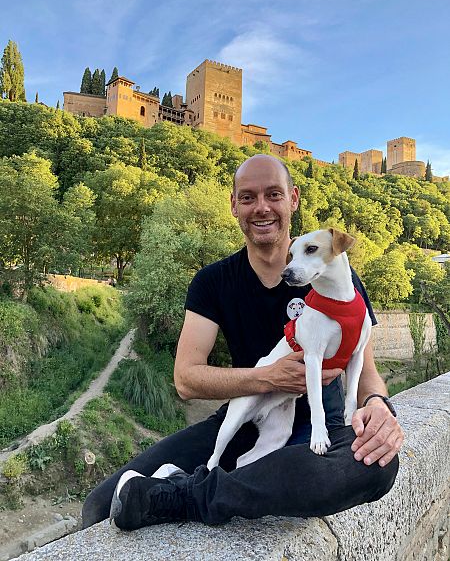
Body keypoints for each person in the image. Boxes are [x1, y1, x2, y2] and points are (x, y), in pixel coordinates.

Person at [82, 154, 403, 530]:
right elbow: (187, 379)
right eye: (248, 197)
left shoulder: (338, 281)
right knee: (100, 506)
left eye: (273, 194)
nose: (262, 207)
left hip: (321, 430)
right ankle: (226, 486)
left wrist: (379, 404)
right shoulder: (213, 282)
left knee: (378, 467)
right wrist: (268, 377)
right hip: (246, 416)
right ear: (234, 205)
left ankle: (185, 494)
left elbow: (366, 374)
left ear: (293, 199)